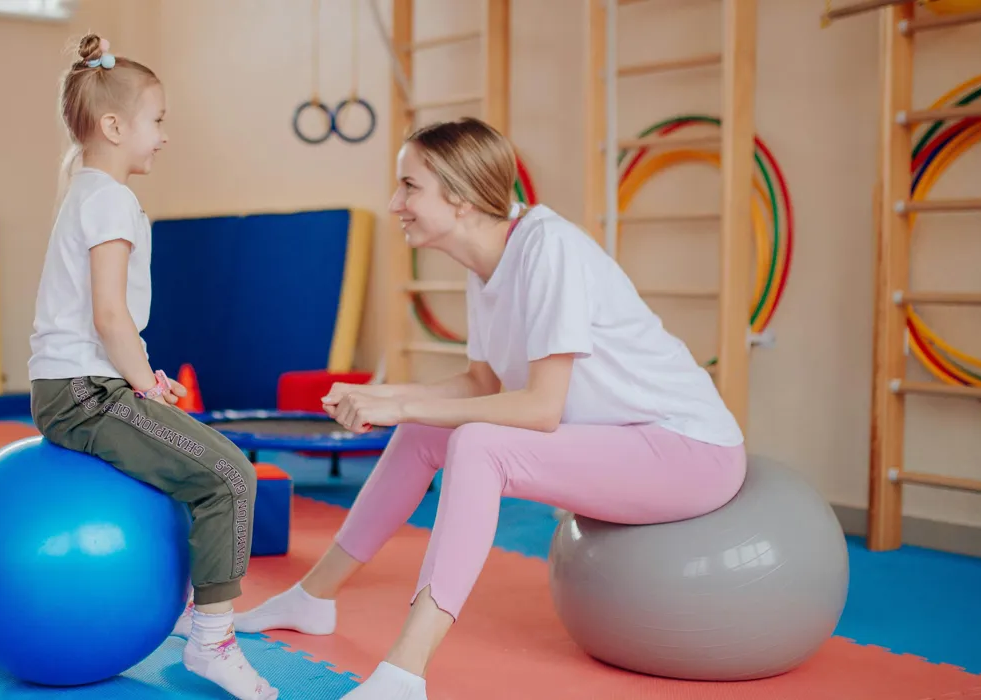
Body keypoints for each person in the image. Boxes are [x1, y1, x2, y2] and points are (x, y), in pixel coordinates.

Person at [233, 117, 748, 700]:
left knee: (479, 444)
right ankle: (313, 597)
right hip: (627, 441)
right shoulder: (489, 262)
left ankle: (404, 672)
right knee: (429, 430)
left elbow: (541, 408)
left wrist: (399, 403)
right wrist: (391, 400)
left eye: (409, 186)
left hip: (688, 451)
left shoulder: (548, 248)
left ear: (457, 196)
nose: (394, 202)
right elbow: (482, 381)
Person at [27, 34, 279, 700]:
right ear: (114, 126)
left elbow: (105, 323)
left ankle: (201, 621)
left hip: (79, 386)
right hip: (85, 394)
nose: (164, 136)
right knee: (229, 475)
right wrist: (142, 383)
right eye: (157, 120)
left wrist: (145, 377)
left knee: (207, 467)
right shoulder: (109, 199)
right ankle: (211, 642)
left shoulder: (86, 190)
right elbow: (110, 316)